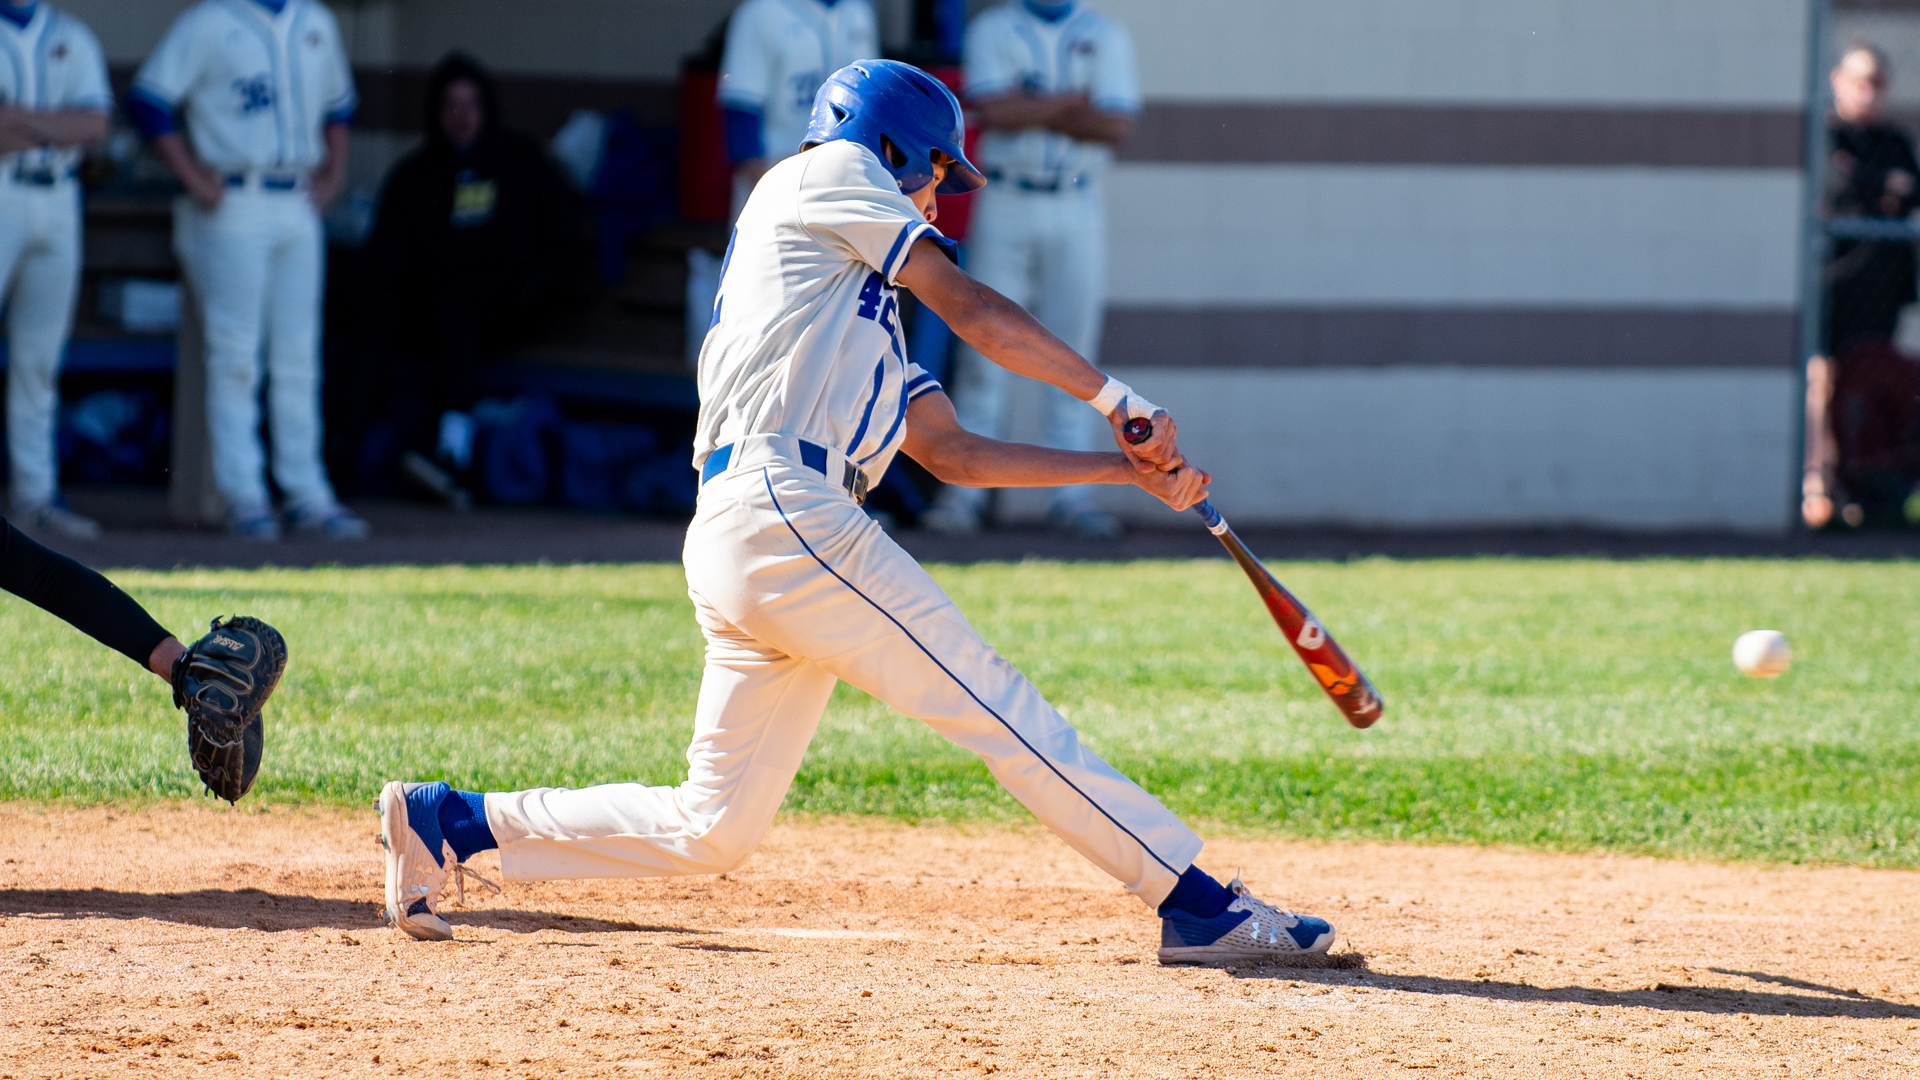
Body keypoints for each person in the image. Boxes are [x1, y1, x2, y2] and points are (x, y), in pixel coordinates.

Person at [377, 60, 1337, 968]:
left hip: (758, 527)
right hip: (784, 510)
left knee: (712, 827)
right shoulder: (824, 175)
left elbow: (953, 454)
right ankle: (1197, 901)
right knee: (995, 702)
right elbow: (966, 303)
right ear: (893, 147)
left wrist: (1122, 473)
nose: (936, 196)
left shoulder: (847, 306)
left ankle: (450, 821)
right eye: (935, 175)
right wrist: (1114, 397)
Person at [126, 0, 368, 541]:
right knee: (235, 355)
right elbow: (148, 101)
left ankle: (307, 491)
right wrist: (192, 175)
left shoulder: (315, 21)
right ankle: (245, 494)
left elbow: (339, 108)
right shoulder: (211, 20)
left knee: (298, 354)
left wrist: (335, 176)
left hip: (297, 197)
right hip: (233, 196)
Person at [920, 0, 1140, 541]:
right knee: (981, 343)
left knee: (1073, 349)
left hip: (1078, 201)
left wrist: (1033, 103)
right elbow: (994, 111)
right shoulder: (995, 27)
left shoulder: (1104, 33)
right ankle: (964, 497)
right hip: (1007, 195)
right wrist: (1071, 104)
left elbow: (1114, 123)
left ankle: (1071, 500)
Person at [364, 53, 588, 509]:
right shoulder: (415, 175)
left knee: (459, 305)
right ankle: (355, 458)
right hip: (430, 321)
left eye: (471, 104)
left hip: (513, 309)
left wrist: (530, 286)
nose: (461, 116)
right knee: (385, 318)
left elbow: (570, 242)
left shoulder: (520, 163)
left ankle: (453, 453)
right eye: (451, 104)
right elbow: (384, 260)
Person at [0, 2, 110, 539]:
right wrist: (54, 125)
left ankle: (34, 494)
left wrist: (22, 120)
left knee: (39, 359)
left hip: (59, 197)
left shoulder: (70, 34)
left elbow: (94, 123)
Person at [1805, 43, 1920, 529]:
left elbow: (1910, 186)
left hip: (1882, 286)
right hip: (1834, 283)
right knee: (1821, 380)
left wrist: (1875, 182)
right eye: (1857, 80)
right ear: (1836, 81)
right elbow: (1837, 185)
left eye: (1875, 82)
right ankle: (1817, 484)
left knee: (1871, 380)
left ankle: (1863, 482)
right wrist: (1879, 185)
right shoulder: (1826, 136)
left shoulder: (1893, 139)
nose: (1865, 92)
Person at [718, 0, 877, 215]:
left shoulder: (859, 10)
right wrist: (774, 200)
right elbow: (741, 117)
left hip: (848, 185)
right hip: (778, 180)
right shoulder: (760, 13)